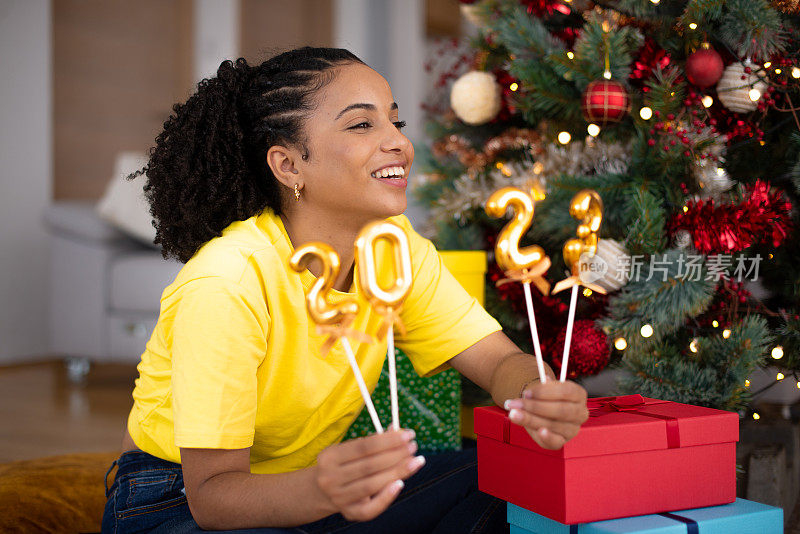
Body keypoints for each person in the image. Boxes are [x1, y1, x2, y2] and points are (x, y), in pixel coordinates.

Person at [101, 47, 589, 534]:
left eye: (395, 122)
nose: (397, 142)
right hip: (173, 501)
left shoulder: (397, 253)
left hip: (312, 493)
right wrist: (320, 490)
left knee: (499, 478)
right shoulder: (228, 281)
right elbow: (214, 498)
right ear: (288, 165)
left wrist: (533, 392)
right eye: (362, 125)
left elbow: (499, 363)